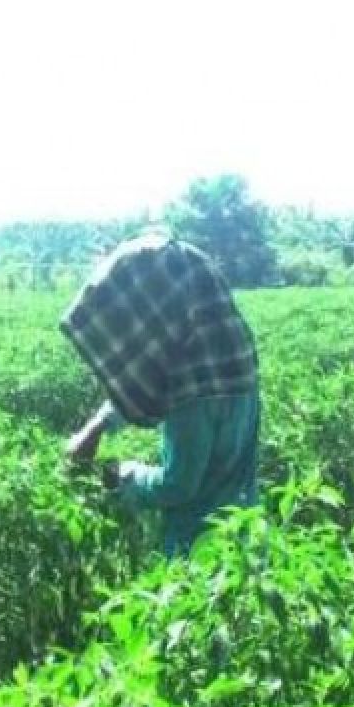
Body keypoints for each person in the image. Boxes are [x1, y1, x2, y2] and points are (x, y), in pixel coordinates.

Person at [61, 231, 260, 556]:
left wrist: (118, 477)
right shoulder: (226, 356)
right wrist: (97, 426)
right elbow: (148, 373)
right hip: (244, 542)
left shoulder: (193, 393)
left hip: (201, 558)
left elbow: (178, 485)